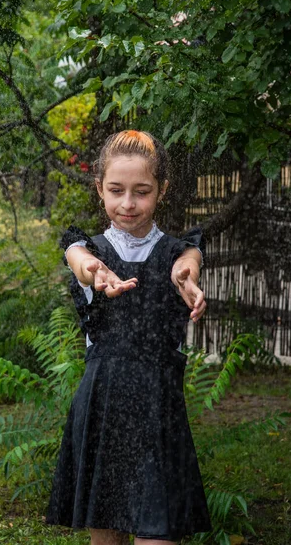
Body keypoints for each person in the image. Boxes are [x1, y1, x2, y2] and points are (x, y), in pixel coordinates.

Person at [45, 130, 212, 545]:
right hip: (104, 409)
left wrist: (186, 273)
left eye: (141, 191)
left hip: (159, 411)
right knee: (108, 535)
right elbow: (79, 259)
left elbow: (189, 258)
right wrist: (94, 271)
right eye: (116, 190)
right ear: (100, 188)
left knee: (159, 535)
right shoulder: (88, 249)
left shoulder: (178, 254)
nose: (128, 204)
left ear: (162, 190)